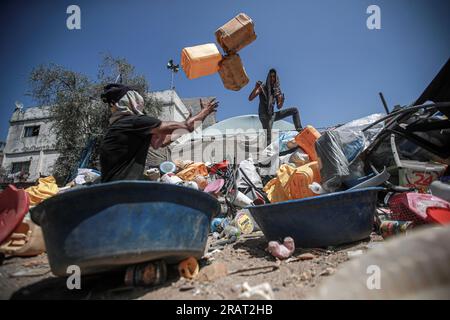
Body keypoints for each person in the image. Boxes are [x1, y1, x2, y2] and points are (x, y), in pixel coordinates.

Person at [99, 84, 218, 182]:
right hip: (122, 188)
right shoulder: (134, 122)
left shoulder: (122, 126)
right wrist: (205, 112)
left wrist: (185, 126)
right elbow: (188, 126)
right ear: (131, 101)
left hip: (113, 186)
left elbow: (161, 142)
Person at [248, 68, 302, 144]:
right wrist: (255, 88)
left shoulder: (276, 90)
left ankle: (300, 132)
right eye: (271, 76)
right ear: (268, 77)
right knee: (268, 139)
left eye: (274, 77)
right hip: (264, 116)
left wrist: (282, 101)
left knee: (294, 110)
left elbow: (279, 106)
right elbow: (250, 98)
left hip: (272, 115)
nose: (272, 78)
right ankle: (268, 152)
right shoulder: (262, 87)